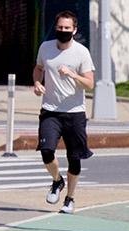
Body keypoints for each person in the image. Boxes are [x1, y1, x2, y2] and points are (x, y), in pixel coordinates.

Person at [33, 10, 95, 214]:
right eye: (60, 27)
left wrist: (72, 74)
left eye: (67, 28)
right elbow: (39, 68)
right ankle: (57, 181)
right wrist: (36, 82)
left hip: (74, 112)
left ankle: (70, 198)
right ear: (56, 28)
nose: (63, 31)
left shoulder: (81, 52)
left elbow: (90, 84)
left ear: (74, 30)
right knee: (46, 150)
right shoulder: (46, 47)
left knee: (74, 157)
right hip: (50, 110)